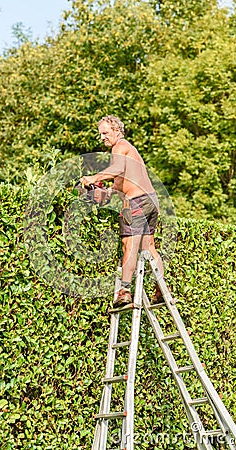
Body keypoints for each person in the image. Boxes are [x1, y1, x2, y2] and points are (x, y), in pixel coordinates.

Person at [80, 115, 163, 307]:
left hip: (136, 202)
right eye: (100, 134)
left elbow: (116, 169)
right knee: (148, 246)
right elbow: (117, 186)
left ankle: (124, 290)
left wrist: (93, 178)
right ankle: (160, 289)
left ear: (117, 131)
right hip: (151, 200)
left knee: (129, 246)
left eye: (105, 133)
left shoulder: (120, 147)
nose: (102, 137)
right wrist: (103, 192)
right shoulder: (130, 152)